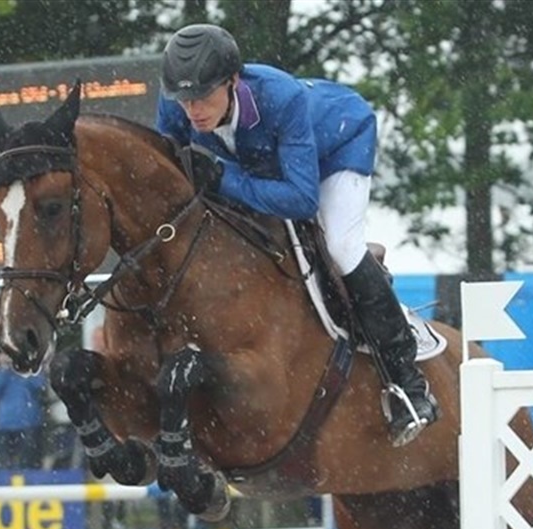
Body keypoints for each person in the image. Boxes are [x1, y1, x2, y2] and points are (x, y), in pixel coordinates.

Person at [155, 23, 439, 447]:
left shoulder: (280, 98)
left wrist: (224, 178)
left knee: (340, 246)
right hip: (262, 165)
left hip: (336, 147)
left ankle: (408, 384)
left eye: (203, 96)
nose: (193, 110)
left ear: (232, 81)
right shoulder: (176, 103)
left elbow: (302, 199)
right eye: (185, 99)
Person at [0, 352, 48, 470]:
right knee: (5, 464)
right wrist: (4, 369)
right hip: (6, 423)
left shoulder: (29, 372)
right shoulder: (2, 373)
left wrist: (27, 368)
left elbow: (40, 386)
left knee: (29, 463)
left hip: (29, 423)